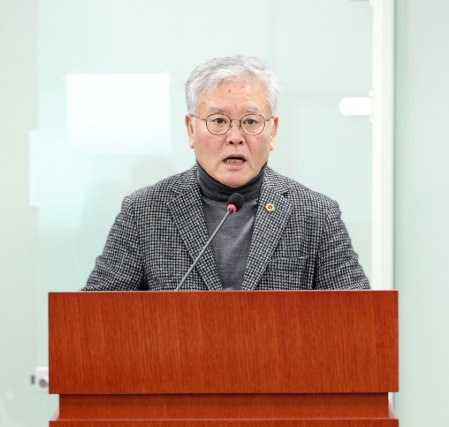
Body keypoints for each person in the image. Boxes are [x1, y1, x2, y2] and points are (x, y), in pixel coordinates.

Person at [83, 56, 369, 291]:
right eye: (218, 121)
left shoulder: (316, 214)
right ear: (191, 129)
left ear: (272, 132)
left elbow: (357, 318)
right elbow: (96, 318)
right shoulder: (143, 212)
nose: (235, 137)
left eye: (250, 121)